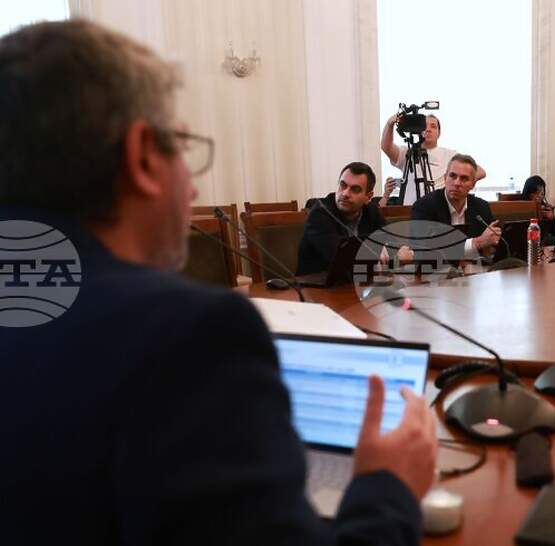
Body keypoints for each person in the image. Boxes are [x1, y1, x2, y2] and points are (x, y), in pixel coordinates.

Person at [0, 19, 436, 545]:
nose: (192, 184)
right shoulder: (190, 335)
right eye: (182, 146)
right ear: (142, 157)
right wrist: (387, 486)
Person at [297, 162, 411, 275]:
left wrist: (396, 254)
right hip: (317, 284)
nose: (345, 193)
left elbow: (392, 244)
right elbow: (341, 260)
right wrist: (387, 257)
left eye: (355, 189)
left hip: (360, 281)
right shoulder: (320, 213)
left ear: (368, 197)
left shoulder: (371, 211)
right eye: (343, 185)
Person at [380, 112, 486, 205]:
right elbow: (386, 147)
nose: (428, 129)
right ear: (418, 130)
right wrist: (390, 124)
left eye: (433, 126)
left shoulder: (450, 155)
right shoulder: (407, 152)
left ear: (439, 133)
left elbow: (480, 172)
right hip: (410, 210)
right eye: (424, 126)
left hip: (439, 210)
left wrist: (452, 185)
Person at [411, 154, 500, 260]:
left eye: (464, 178)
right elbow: (427, 251)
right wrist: (477, 243)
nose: (457, 183)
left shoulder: (481, 207)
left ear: (472, 184)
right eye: (452, 176)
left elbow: (492, 246)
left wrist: (492, 244)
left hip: (477, 268)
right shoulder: (424, 207)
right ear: (445, 178)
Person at [521, 175, 555, 240]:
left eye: (541, 194)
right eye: (536, 193)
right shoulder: (521, 206)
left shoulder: (545, 207)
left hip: (543, 239)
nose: (539, 197)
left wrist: (552, 219)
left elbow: (554, 233)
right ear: (528, 193)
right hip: (527, 240)